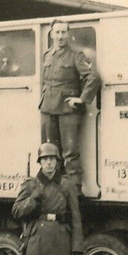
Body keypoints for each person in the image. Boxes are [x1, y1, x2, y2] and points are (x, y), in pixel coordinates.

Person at [39, 19, 101, 182]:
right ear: (51, 34)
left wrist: (81, 99)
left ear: (68, 34)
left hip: (67, 110)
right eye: (57, 32)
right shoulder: (47, 55)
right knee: (49, 151)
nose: (60, 36)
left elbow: (93, 77)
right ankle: (52, 189)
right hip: (47, 108)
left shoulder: (76, 55)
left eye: (63, 32)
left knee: (70, 152)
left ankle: (74, 192)